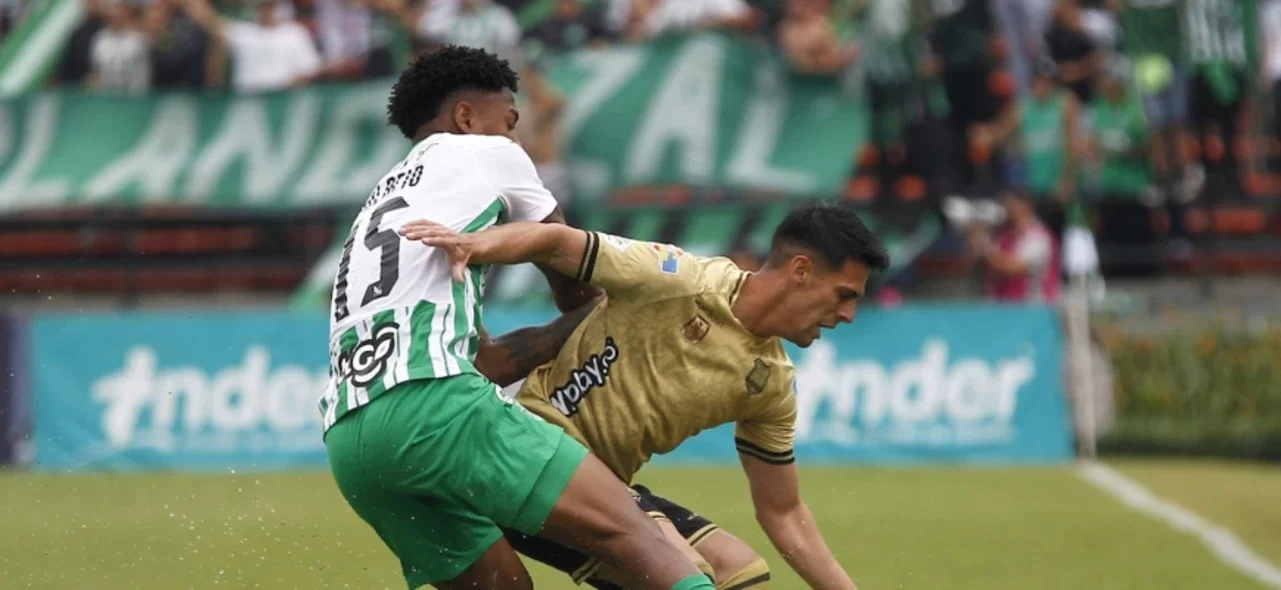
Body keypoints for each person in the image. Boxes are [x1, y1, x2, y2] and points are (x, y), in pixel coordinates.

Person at [320, 46, 714, 590]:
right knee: (638, 539)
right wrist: (631, 302)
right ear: (466, 117)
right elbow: (576, 278)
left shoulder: (380, 205)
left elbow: (490, 361)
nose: (515, 138)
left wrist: (572, 328)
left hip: (353, 441)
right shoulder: (485, 154)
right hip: (437, 408)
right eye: (510, 121)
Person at [401, 204, 889, 589]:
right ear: (800, 270)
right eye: (844, 294)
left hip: (602, 487)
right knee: (684, 569)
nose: (847, 315)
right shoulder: (677, 279)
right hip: (522, 458)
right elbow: (557, 241)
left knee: (741, 574)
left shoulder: (771, 383)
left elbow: (783, 512)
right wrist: (475, 245)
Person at [968, 190, 1061, 303]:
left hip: (1030, 310)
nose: (1008, 209)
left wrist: (984, 249)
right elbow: (976, 267)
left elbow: (1012, 268)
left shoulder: (1038, 237)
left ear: (1026, 206)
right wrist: (976, 234)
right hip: (998, 308)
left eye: (1012, 204)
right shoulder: (1001, 235)